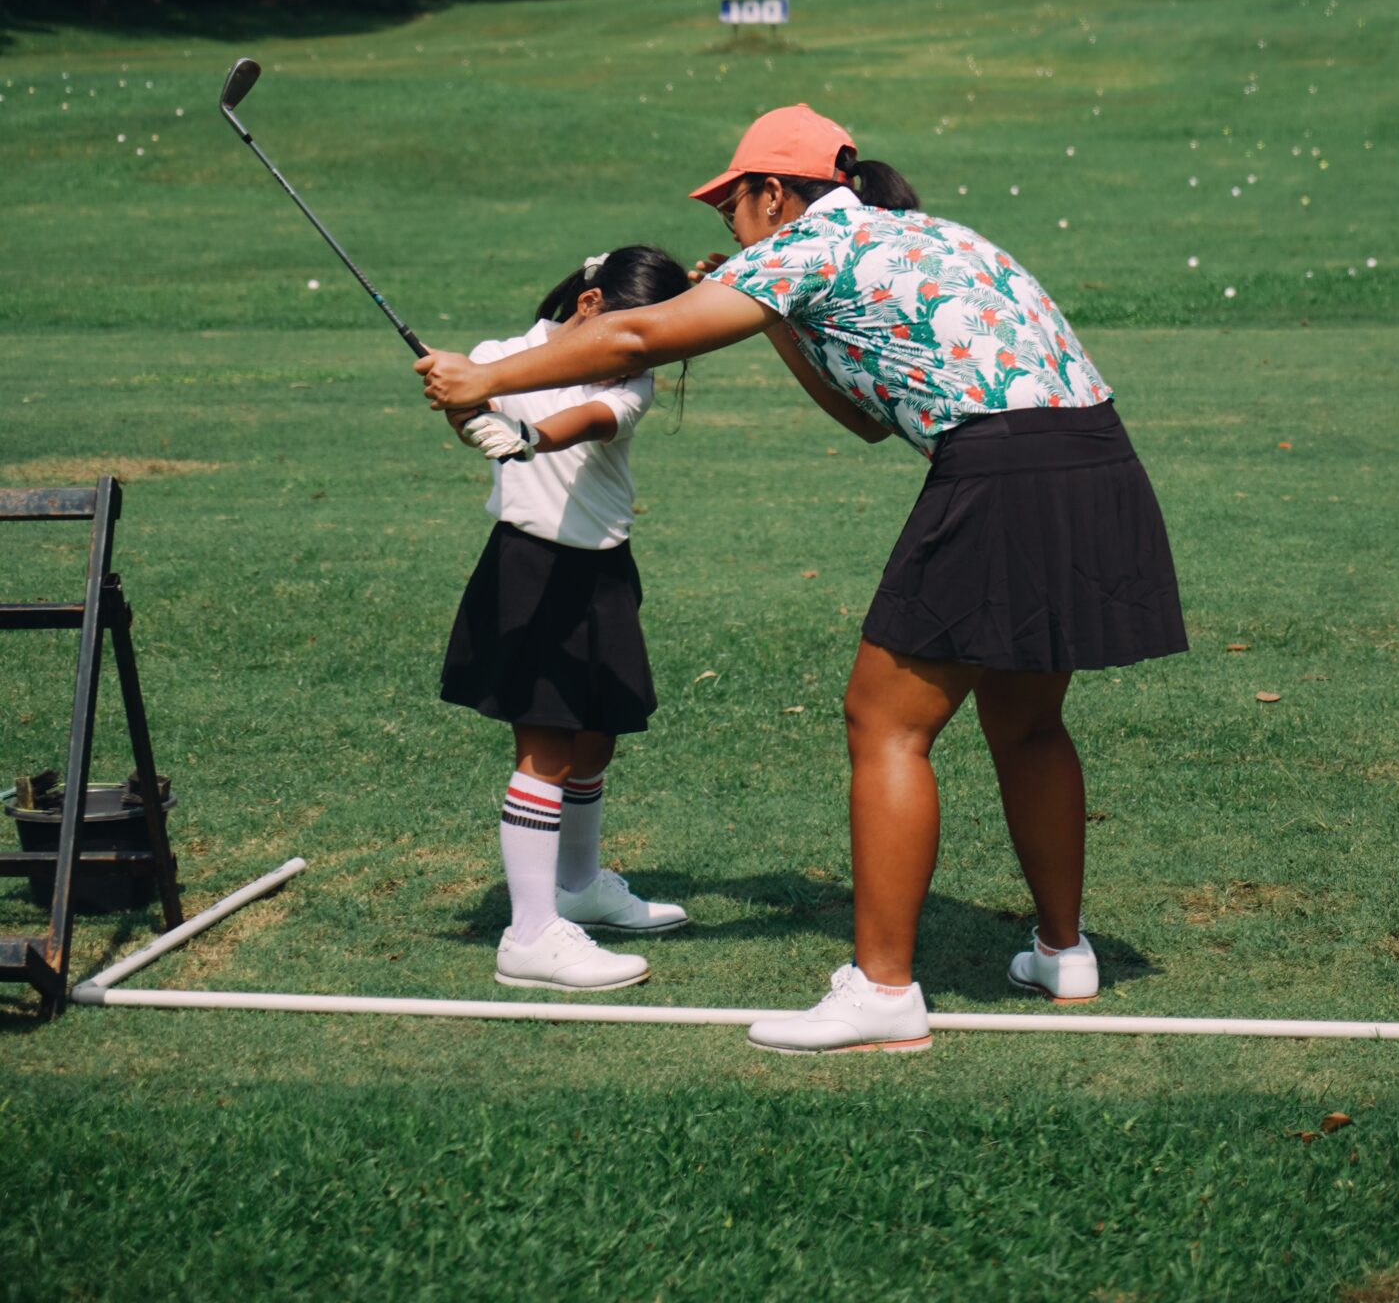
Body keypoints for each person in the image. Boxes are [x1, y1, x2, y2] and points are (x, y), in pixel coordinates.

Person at [419, 106, 1186, 1051]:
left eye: (732, 210)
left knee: (883, 723)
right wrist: (772, 307)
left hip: (1001, 474)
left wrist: (486, 380)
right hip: (1097, 461)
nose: (731, 230)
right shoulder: (923, 234)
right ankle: (1062, 953)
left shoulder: (809, 245)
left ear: (774, 195)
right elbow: (864, 420)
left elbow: (634, 339)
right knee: (1026, 721)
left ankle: (882, 991)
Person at [441, 243, 693, 995]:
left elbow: (585, 420)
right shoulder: (499, 359)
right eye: (633, 337)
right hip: (530, 568)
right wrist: (463, 406)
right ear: (589, 306)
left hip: (604, 568)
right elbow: (470, 406)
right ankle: (529, 934)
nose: (639, 358)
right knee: (546, 748)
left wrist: (525, 436)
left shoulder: (630, 382)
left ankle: (577, 886)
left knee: (594, 739)